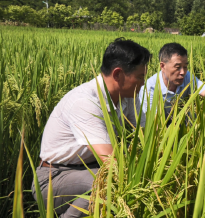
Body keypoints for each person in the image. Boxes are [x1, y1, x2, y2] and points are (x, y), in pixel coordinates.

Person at [31, 38, 150, 218]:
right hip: (53, 178)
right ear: (118, 74)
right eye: (140, 76)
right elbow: (111, 162)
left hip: (88, 169)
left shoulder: (128, 96)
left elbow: (145, 134)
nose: (143, 82)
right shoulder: (85, 102)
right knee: (108, 183)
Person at [139, 42, 205, 122]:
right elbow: (153, 123)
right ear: (163, 66)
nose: (183, 72)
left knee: (194, 118)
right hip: (156, 123)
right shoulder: (150, 88)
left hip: (175, 118)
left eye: (185, 67)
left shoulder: (187, 77)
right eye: (177, 67)